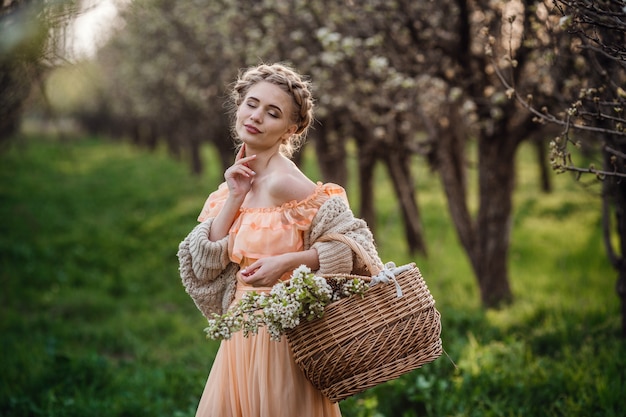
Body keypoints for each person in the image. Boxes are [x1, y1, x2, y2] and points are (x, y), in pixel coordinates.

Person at [178, 63, 383, 417]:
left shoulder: (284, 182)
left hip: (284, 335)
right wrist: (234, 197)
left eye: (272, 113)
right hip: (241, 332)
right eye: (251, 104)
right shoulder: (237, 180)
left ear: (291, 129)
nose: (256, 117)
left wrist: (287, 263)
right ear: (239, 105)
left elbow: (356, 246)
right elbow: (205, 262)